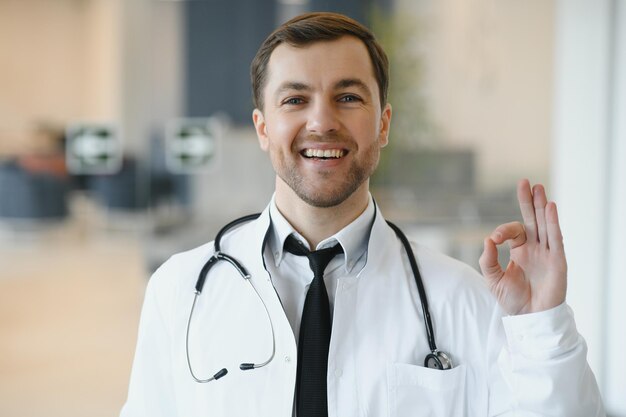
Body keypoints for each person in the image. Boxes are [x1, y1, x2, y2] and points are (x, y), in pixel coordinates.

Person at [120, 12, 605, 417]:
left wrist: (541, 324)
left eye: (348, 98)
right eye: (295, 99)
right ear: (263, 128)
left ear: (384, 123)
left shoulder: (464, 300)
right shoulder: (179, 290)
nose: (322, 121)